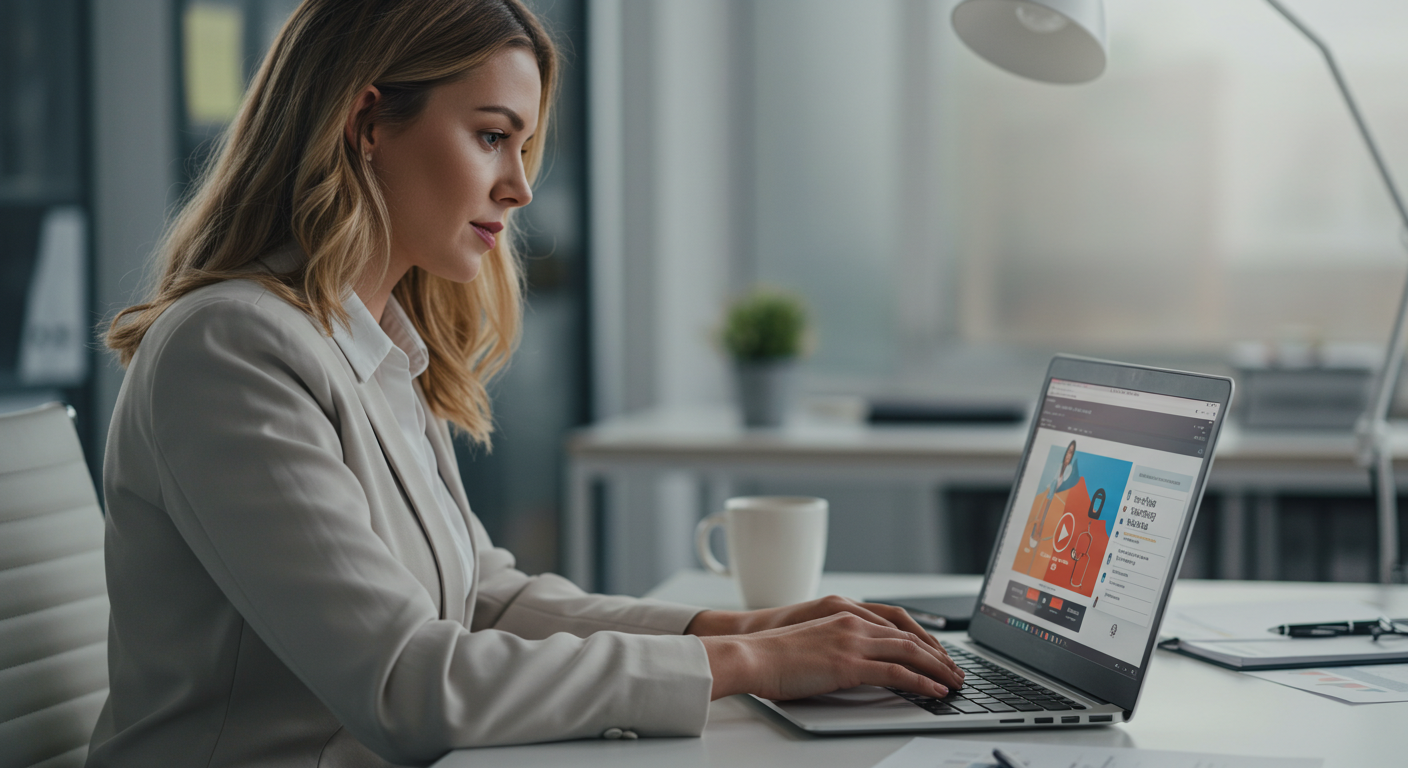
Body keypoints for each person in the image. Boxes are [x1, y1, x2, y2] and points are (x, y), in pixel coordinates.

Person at [89, 1, 962, 765]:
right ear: (366, 125)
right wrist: (751, 668)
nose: (521, 185)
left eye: (524, 144)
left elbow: (483, 600)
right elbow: (405, 685)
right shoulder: (232, 347)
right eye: (492, 135)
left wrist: (742, 629)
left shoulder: (375, 345)